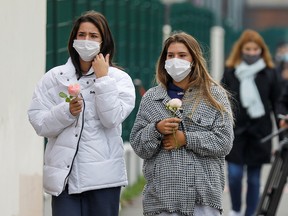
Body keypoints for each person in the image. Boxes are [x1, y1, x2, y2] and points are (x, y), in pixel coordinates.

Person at [27, 10, 135, 216]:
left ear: (104, 42)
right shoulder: (54, 78)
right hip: (65, 179)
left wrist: (103, 80)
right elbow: (38, 121)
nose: (86, 40)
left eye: (93, 36)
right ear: (74, 39)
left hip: (103, 180)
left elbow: (112, 119)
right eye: (82, 35)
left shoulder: (119, 80)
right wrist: (66, 111)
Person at [129, 31, 234, 216]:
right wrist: (156, 129)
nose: (175, 60)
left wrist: (185, 138)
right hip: (162, 202)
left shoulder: (214, 96)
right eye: (170, 56)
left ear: (193, 59)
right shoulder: (152, 98)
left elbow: (224, 142)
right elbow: (138, 145)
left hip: (202, 200)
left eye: (182, 55)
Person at [221, 29, 281, 216]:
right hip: (236, 132)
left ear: (261, 50)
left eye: (255, 49)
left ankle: (251, 213)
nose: (252, 52)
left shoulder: (269, 73)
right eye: (248, 48)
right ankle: (236, 210)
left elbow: (277, 102)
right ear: (241, 49)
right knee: (235, 175)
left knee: (254, 179)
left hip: (260, 133)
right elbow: (222, 100)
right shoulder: (231, 71)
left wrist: (281, 132)